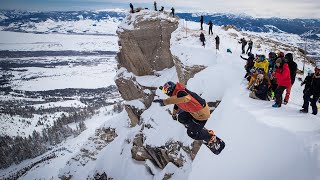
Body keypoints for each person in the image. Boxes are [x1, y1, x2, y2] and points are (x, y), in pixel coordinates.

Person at [153, 81, 217, 144]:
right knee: (181, 117)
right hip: (195, 113)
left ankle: (210, 136)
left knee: (191, 133)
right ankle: (194, 126)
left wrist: (165, 102)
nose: (165, 93)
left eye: (165, 91)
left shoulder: (181, 93)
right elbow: (177, 104)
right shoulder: (178, 94)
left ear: (170, 90)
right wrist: (174, 114)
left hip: (202, 115)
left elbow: (186, 98)